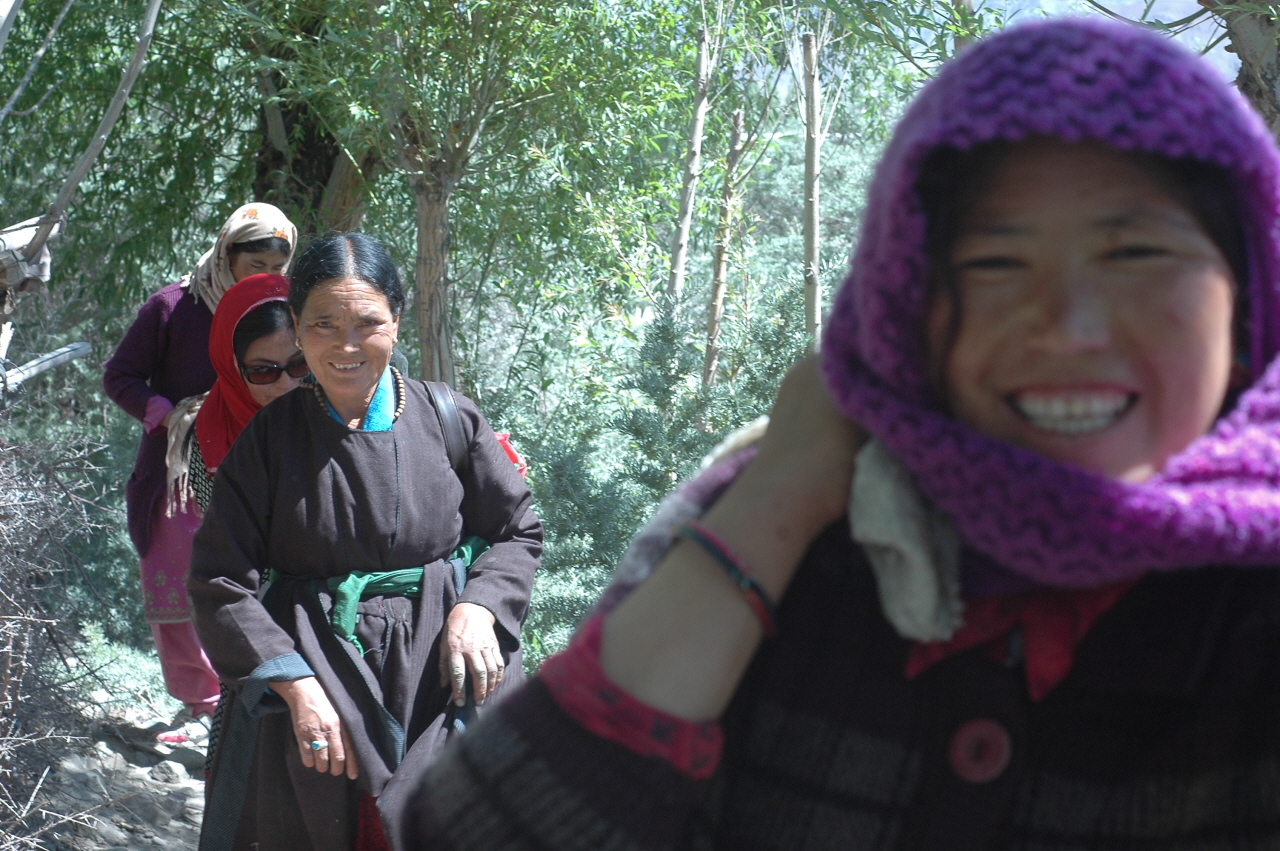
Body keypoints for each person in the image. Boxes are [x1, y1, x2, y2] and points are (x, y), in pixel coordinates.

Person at [393, 17, 1280, 849]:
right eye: (995, 263)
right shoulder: (791, 514)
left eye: (1137, 254)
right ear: (905, 307)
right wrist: (780, 499)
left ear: (1249, 292)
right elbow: (473, 828)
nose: (1069, 326)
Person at [188, 233, 542, 851]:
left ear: (397, 322)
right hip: (317, 680)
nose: (346, 345)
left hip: (441, 673)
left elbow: (518, 529)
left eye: (367, 322)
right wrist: (294, 685)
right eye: (323, 324)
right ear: (296, 326)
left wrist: (481, 607)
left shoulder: (449, 418)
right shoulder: (269, 443)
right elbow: (220, 581)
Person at [103, 203, 296, 721]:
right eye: (258, 267)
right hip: (179, 472)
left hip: (255, 465)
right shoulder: (172, 308)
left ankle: (248, 699)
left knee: (248, 584)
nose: (270, 278)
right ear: (226, 254)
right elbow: (120, 376)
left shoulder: (282, 313)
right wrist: (168, 415)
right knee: (180, 587)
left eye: (279, 269)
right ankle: (200, 705)